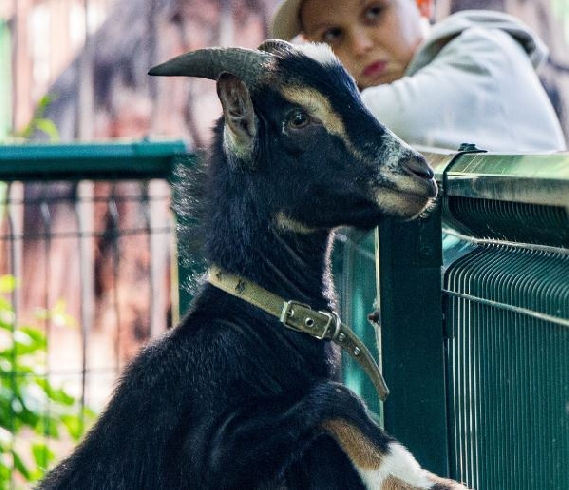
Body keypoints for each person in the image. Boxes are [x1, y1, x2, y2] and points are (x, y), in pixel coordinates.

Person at [270, 0, 567, 152]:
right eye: (333, 34)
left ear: (422, 3)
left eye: (374, 12)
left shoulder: (487, 49)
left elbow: (395, 119)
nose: (360, 45)